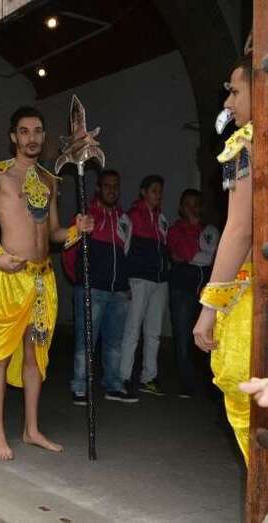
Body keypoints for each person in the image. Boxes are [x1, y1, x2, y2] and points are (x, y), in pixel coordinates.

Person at [0, 106, 93, 460]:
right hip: (10, 278)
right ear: (13, 136)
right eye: (24, 131)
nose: (32, 138)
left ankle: (31, 429)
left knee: (35, 355)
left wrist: (75, 230)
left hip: (43, 281)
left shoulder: (50, 179)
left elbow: (53, 232)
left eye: (38, 131)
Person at [193, 54, 254, 463]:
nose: (228, 103)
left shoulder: (244, 144)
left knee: (247, 400)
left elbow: (240, 230)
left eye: (234, 92)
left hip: (253, 299)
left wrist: (209, 308)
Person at [62, 169, 133, 405]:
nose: (112, 190)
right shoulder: (86, 217)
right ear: (98, 188)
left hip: (118, 291)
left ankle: (113, 385)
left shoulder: (124, 220)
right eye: (107, 185)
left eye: (116, 186)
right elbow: (69, 252)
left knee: (114, 343)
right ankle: (80, 387)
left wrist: (125, 285)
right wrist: (80, 281)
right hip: (92, 289)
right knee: (86, 342)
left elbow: (125, 255)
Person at [118, 175, 170, 398]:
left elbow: (164, 250)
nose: (158, 195)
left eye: (160, 191)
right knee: (132, 330)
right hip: (138, 280)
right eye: (154, 191)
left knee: (154, 333)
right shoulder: (131, 217)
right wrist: (125, 282)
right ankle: (123, 377)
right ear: (143, 192)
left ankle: (148, 377)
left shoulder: (162, 219)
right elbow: (123, 250)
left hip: (160, 282)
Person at [167, 189, 219, 398]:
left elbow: (212, 257)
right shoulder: (174, 230)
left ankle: (210, 384)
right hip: (182, 290)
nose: (192, 208)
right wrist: (192, 249)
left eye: (196, 204)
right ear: (181, 208)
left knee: (209, 337)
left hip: (206, 292)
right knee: (183, 338)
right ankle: (186, 384)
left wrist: (191, 254)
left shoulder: (210, 230)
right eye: (188, 204)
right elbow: (187, 253)